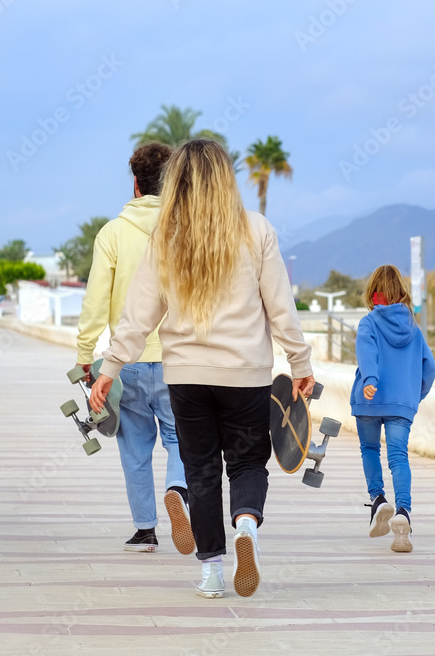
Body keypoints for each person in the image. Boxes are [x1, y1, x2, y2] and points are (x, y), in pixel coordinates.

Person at [89, 139, 314, 599]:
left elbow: (138, 316)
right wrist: (300, 362)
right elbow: (281, 308)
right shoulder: (257, 230)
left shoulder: (165, 237)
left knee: (201, 469)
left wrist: (109, 368)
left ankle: (212, 571)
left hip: (186, 377)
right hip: (245, 374)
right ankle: (246, 525)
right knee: (248, 461)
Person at [76, 142, 192, 556]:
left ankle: (145, 531)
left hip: (125, 361)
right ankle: (178, 489)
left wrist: (85, 356)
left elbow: (95, 301)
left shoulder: (112, 232)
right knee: (182, 439)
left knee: (134, 447)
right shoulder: (186, 230)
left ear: (136, 185)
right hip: (180, 359)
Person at [351, 265, 435, 553]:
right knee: (398, 456)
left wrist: (371, 380)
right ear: (401, 293)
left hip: (369, 399)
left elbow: (367, 352)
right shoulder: (414, 328)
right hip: (402, 402)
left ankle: (378, 500)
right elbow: (430, 368)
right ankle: (403, 511)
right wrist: (414, 395)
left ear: (374, 294)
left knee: (370, 450)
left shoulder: (369, 322)